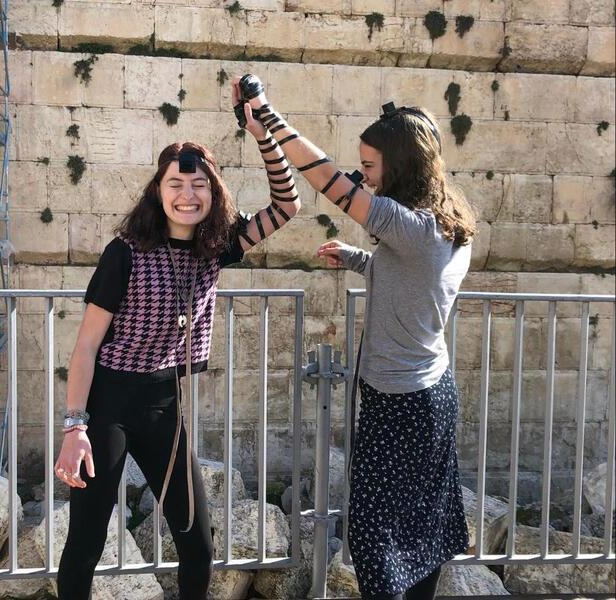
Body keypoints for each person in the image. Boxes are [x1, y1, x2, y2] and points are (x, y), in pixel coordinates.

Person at [53, 81, 301, 599]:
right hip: (109, 406)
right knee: (87, 540)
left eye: (199, 187)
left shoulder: (217, 248)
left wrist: (262, 132)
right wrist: (75, 427)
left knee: (197, 543)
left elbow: (287, 203)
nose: (187, 196)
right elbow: (85, 347)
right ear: (158, 191)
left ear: (213, 195)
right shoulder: (125, 252)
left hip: (165, 405)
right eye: (176, 185)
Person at [239, 78, 475, 599]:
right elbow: (416, 281)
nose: (363, 177)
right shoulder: (443, 223)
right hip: (426, 395)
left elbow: (325, 178)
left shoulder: (411, 227)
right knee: (420, 530)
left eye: (369, 167)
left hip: (403, 404)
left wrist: (267, 116)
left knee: (371, 538)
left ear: (400, 166)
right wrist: (357, 258)